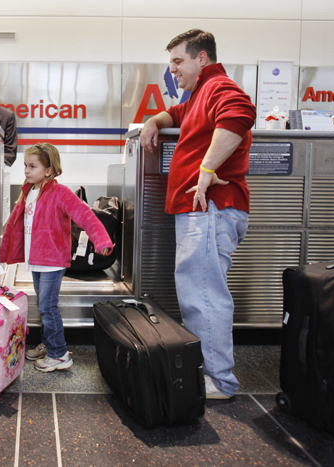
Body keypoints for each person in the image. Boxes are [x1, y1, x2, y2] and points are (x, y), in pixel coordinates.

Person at [139, 29, 256, 399]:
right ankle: (211, 374)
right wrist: (152, 122)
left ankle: (219, 381)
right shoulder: (199, 95)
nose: (173, 69)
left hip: (210, 209)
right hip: (201, 211)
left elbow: (240, 114)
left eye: (178, 61)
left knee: (203, 297)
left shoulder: (220, 86)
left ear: (201, 58)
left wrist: (206, 171)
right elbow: (173, 113)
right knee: (199, 294)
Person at [0, 143, 113, 372]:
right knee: (44, 306)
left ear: (48, 170)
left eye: (32, 166)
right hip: (37, 260)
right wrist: (3, 251)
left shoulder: (61, 194)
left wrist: (101, 240)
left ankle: (59, 354)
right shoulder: (28, 191)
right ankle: (48, 344)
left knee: (48, 307)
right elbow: (14, 224)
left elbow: (85, 216)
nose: (27, 171)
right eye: (25, 166)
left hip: (52, 261)